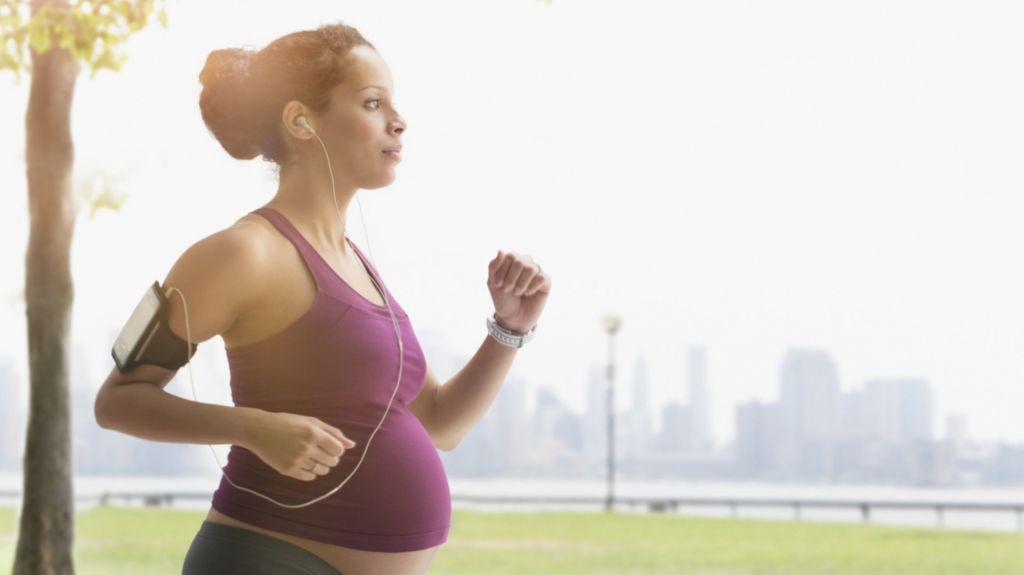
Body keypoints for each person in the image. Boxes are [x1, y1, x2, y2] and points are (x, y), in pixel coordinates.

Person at [92, 21, 551, 575]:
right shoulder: (242, 253)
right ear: (300, 120)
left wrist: (508, 330)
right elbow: (117, 401)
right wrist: (254, 427)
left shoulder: (358, 263)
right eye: (373, 102)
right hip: (268, 557)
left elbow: (438, 425)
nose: (399, 121)